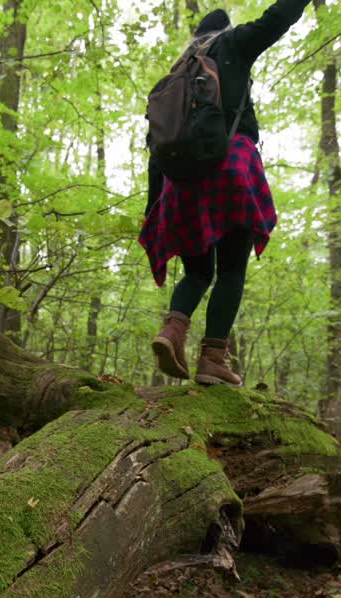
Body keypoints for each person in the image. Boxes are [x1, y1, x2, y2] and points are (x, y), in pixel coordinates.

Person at [141, 2, 312, 386]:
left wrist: (153, 209)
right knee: (232, 268)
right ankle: (213, 358)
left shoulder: (174, 77)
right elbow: (277, 19)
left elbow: (156, 150)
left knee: (198, 272)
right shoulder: (232, 44)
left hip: (179, 185)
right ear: (222, 29)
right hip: (229, 168)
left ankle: (171, 331)